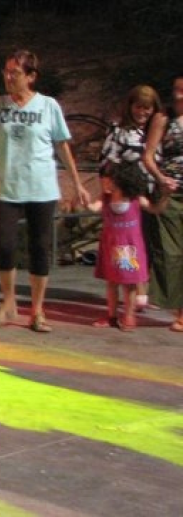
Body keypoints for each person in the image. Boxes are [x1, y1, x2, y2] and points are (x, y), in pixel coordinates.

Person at [0, 49, 90, 333]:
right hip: (7, 185)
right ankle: (8, 304)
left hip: (41, 185)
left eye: (15, 73)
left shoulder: (48, 106)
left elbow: (61, 144)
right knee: (6, 246)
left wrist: (77, 182)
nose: (9, 77)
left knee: (39, 248)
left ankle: (37, 309)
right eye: (6, 72)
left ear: (31, 76)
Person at [99, 85, 161, 310]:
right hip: (127, 195)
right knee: (128, 242)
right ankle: (132, 291)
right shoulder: (119, 129)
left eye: (147, 108)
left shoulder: (158, 129)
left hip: (153, 190)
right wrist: (109, 188)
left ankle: (145, 288)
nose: (142, 112)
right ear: (131, 106)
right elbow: (107, 161)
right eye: (138, 107)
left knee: (150, 241)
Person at [87, 161, 163, 331]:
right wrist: (84, 199)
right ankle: (112, 316)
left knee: (129, 283)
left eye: (108, 179)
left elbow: (155, 209)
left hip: (127, 248)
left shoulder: (136, 200)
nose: (104, 182)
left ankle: (129, 315)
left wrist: (164, 195)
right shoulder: (105, 198)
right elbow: (93, 208)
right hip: (110, 246)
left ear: (120, 181)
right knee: (111, 282)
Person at [141, 73, 183, 332]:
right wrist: (161, 178)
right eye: (177, 89)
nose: (179, 94)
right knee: (172, 252)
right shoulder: (164, 119)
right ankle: (180, 311)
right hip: (171, 192)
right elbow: (148, 156)